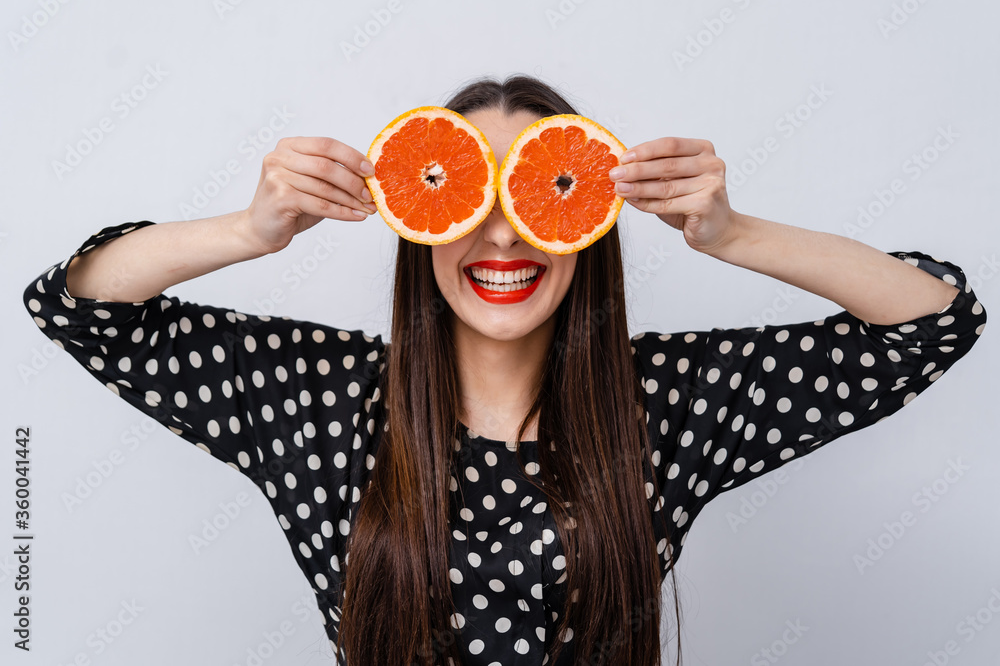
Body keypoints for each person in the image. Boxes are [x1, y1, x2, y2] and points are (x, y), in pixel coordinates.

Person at [22, 74, 987, 666]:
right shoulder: (318, 397)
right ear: (417, 217)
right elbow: (79, 305)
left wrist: (735, 233)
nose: (500, 231)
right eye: (465, 188)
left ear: (588, 221)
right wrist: (248, 228)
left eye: (541, 191)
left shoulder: (658, 407)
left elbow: (932, 324)